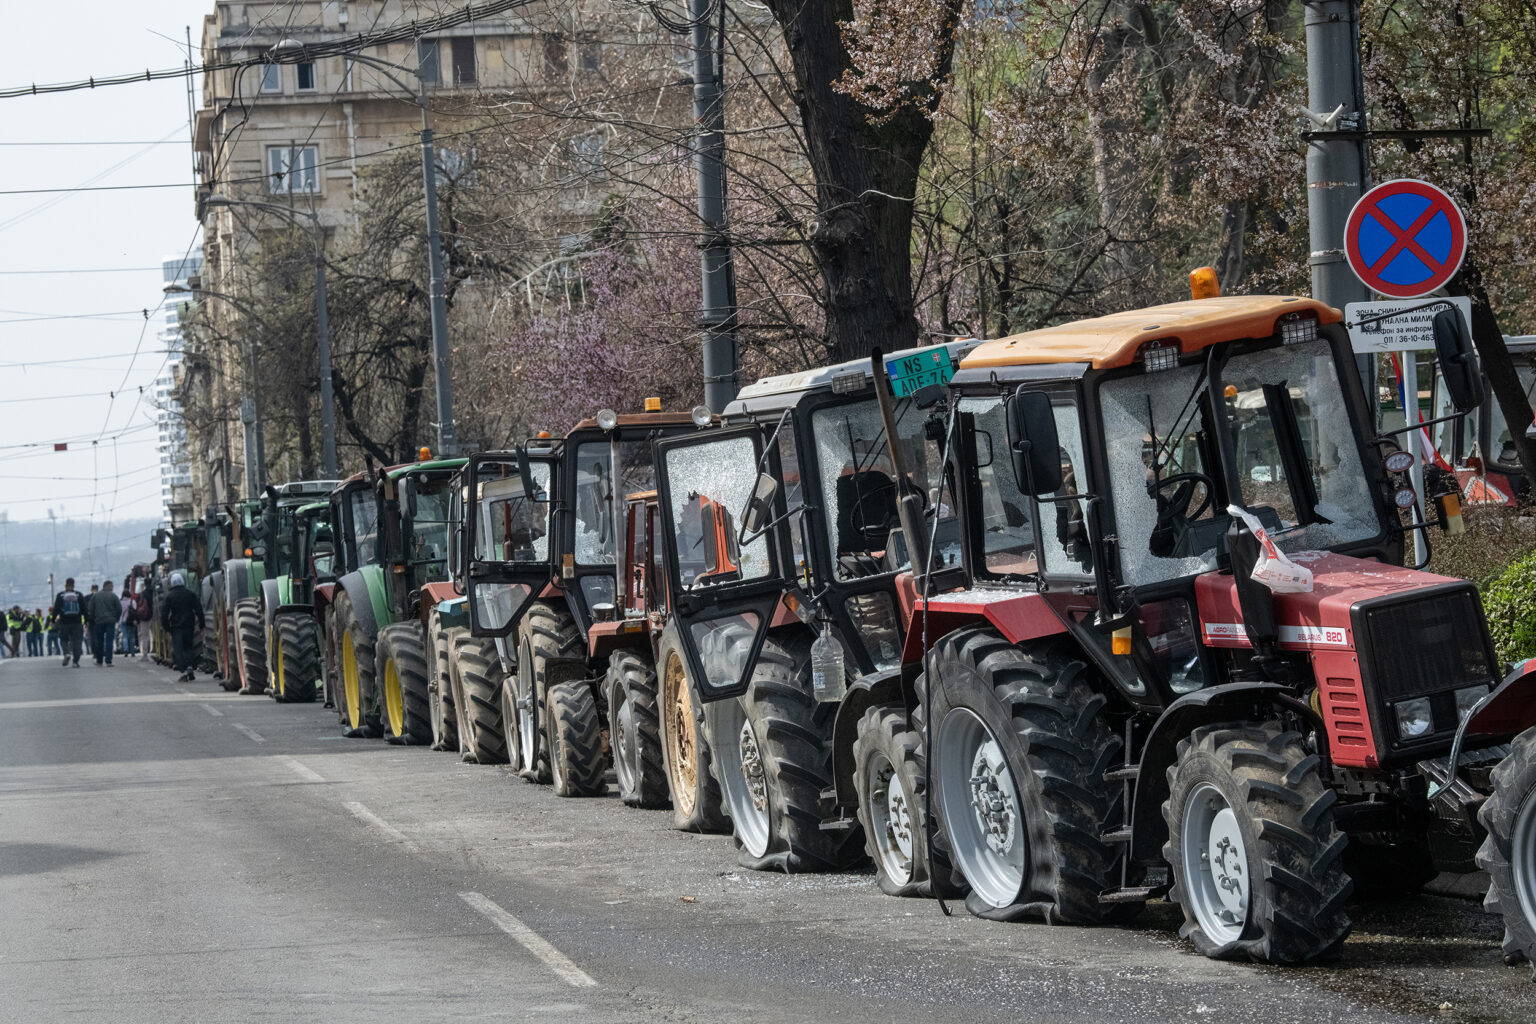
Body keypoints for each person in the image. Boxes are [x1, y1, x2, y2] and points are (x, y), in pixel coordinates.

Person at [160, 572, 204, 682]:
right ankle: (190, 667)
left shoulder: (170, 596)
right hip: (189, 625)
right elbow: (199, 609)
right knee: (188, 647)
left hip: (176, 627)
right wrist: (202, 624)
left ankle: (183, 671)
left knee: (178, 650)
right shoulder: (190, 594)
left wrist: (167, 628)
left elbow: (164, 614)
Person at [52, 579, 86, 668]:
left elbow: (56, 609)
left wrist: (53, 621)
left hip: (64, 622)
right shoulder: (79, 595)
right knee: (77, 642)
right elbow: (84, 609)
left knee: (63, 639)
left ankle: (66, 653)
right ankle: (75, 662)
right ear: (73, 585)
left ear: (65, 585)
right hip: (77, 622)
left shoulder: (60, 595)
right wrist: (86, 620)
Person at [88, 580, 121, 667]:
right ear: (108, 586)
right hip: (110, 621)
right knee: (109, 640)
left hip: (99, 621)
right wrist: (116, 618)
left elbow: (91, 609)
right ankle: (108, 660)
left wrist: (94, 618)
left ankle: (99, 660)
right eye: (112, 586)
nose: (112, 588)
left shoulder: (96, 596)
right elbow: (119, 608)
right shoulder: (113, 596)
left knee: (99, 641)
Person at [119, 579, 139, 658]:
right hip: (131, 621)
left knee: (125, 636)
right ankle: (132, 651)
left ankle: (126, 650)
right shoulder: (132, 602)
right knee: (132, 636)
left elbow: (119, 611)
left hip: (123, 620)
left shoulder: (120, 602)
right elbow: (135, 610)